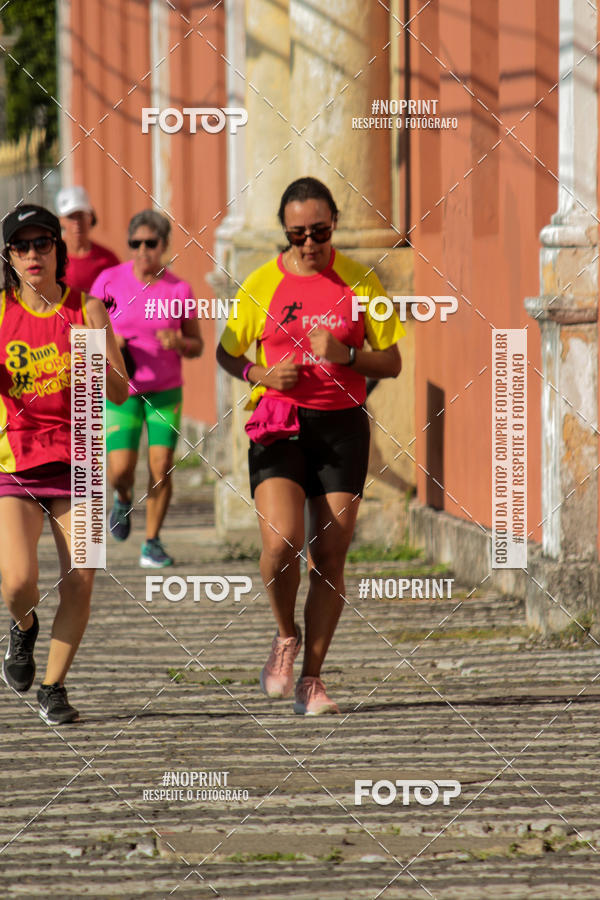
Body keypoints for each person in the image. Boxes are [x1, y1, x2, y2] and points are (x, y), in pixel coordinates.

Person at [217, 176, 404, 715]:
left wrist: (346, 356)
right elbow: (227, 354)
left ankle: (312, 679)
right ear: (285, 232)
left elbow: (391, 361)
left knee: (330, 556)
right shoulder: (260, 284)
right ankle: (284, 634)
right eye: (297, 233)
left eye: (318, 231)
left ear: (335, 225)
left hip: (342, 428)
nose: (308, 243)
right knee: (280, 544)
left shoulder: (361, 283)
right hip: (280, 424)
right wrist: (260, 372)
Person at [0, 203, 129, 724]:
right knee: (16, 581)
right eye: (21, 246)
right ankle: (24, 626)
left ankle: (54, 687)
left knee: (82, 575)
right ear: (8, 257)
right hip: (16, 460)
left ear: (59, 249)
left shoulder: (88, 310)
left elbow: (121, 392)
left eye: (42, 243)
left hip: (82, 460)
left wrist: (95, 357)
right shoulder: (2, 312)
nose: (33, 254)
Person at [91, 209, 203, 568]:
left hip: (165, 391)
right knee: (120, 468)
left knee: (161, 466)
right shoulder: (108, 282)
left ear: (164, 246)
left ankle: (152, 542)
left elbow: (197, 344)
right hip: (121, 391)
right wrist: (112, 342)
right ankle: (123, 498)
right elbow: (87, 328)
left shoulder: (179, 289)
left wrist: (180, 344)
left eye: (150, 244)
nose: (142, 251)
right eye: (135, 243)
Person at [56, 185, 120, 293]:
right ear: (61, 220)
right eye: (70, 216)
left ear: (90, 217)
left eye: (80, 216)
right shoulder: (52, 257)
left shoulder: (108, 259)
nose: (76, 223)